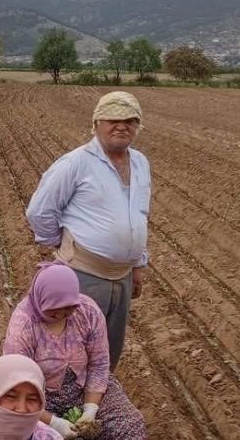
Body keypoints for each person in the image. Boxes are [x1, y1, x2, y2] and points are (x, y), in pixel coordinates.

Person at [3, 262, 155, 440]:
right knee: (25, 437)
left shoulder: (87, 311)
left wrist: (90, 410)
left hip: (83, 387)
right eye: (55, 313)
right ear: (42, 302)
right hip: (35, 397)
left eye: (68, 310)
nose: (62, 316)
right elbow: (15, 387)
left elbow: (99, 364)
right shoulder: (23, 325)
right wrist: (53, 422)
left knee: (128, 422)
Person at [25, 90, 150, 370]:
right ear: (96, 124)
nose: (122, 126)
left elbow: (141, 213)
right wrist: (63, 245)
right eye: (112, 119)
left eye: (130, 120)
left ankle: (98, 404)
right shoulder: (76, 163)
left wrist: (138, 264)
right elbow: (39, 211)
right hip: (83, 275)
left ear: (138, 126)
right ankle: (69, 408)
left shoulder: (140, 163)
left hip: (123, 276)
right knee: (74, 349)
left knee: (108, 350)